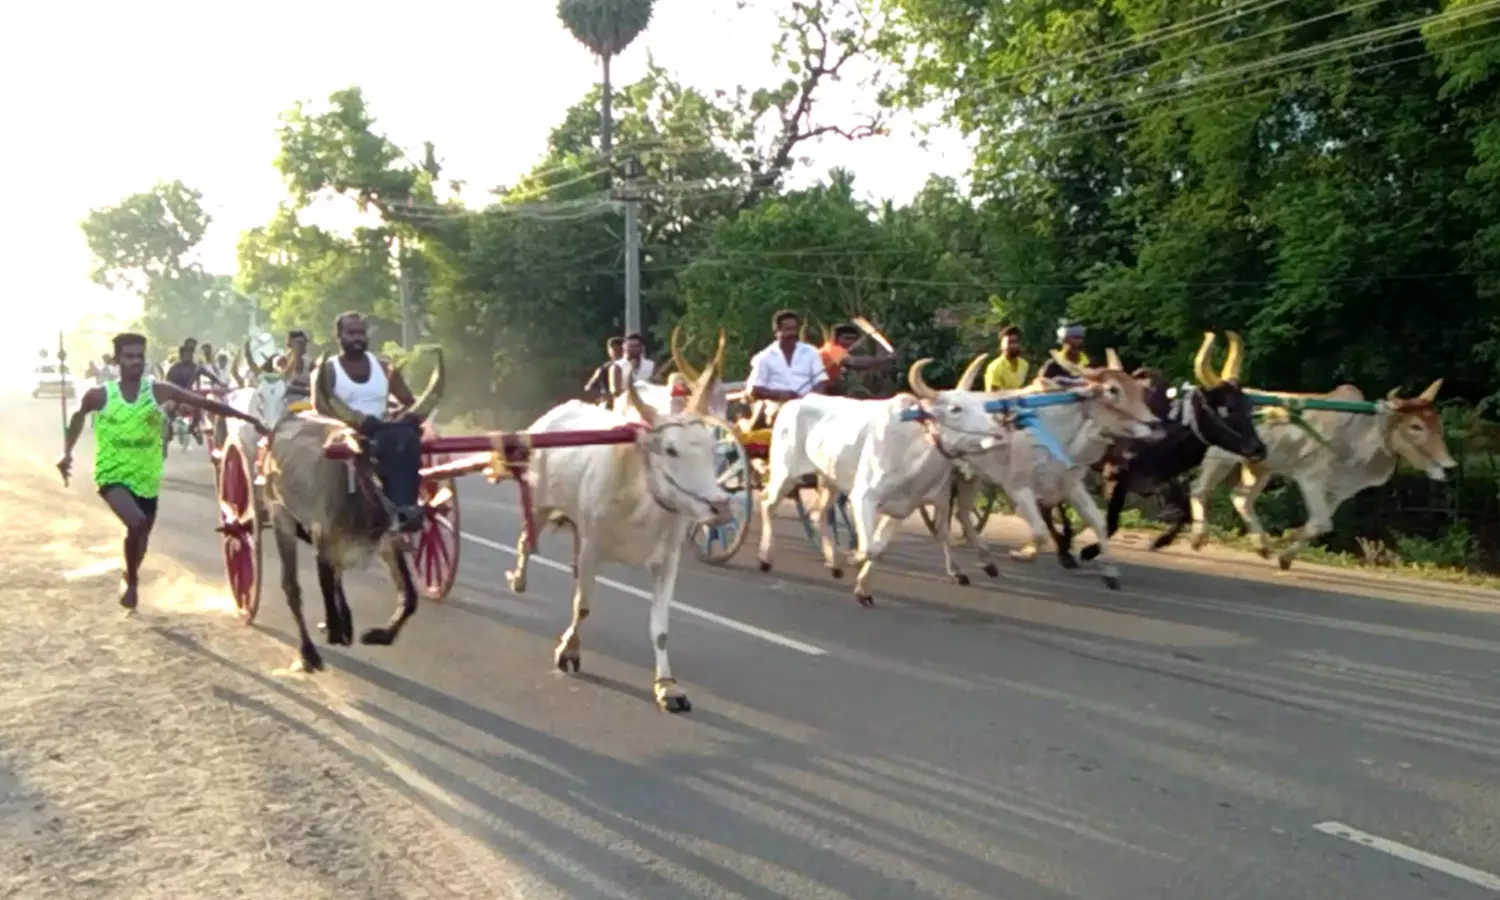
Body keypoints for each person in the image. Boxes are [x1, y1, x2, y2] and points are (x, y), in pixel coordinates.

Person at [57, 332, 268, 612]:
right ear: (118, 360)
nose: (135, 362)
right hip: (112, 475)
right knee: (135, 523)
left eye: (139, 357)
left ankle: (129, 572)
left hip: (147, 476)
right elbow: (77, 418)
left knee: (142, 533)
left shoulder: (158, 391)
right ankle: (131, 581)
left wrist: (248, 417)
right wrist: (66, 453)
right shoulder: (99, 395)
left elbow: (203, 403)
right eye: (129, 357)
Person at [315, 311, 420, 427]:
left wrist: (396, 417)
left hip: (381, 433)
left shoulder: (385, 368)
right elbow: (321, 408)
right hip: (343, 435)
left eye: (361, 333)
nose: (357, 338)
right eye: (351, 333)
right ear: (338, 335)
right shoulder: (327, 370)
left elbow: (410, 402)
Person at [745, 309, 828, 429]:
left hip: (809, 408)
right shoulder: (764, 357)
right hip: (777, 410)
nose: (792, 333)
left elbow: (821, 383)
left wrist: (809, 398)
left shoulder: (811, 352)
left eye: (795, 329)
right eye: (788, 329)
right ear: (776, 332)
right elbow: (754, 390)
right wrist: (781, 395)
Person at [163, 340, 226, 451]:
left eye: (191, 354)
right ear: (182, 356)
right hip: (175, 397)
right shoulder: (174, 368)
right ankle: (168, 429)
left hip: (187, 397)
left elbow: (211, 376)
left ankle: (192, 427)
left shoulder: (196, 367)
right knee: (167, 410)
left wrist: (221, 383)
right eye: (187, 355)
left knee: (197, 406)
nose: (189, 357)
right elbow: (166, 383)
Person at [817, 323, 895, 396]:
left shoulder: (830, 350)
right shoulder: (833, 350)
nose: (850, 342)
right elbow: (855, 362)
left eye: (854, 339)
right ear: (836, 340)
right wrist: (883, 360)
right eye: (847, 338)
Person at [983, 325, 1030, 392]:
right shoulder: (995, 367)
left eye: (1015, 342)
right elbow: (993, 395)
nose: (1013, 346)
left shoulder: (1024, 364)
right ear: (1001, 346)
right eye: (1009, 342)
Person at [585, 336, 625, 404]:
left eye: (620, 349)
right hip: (609, 403)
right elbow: (589, 387)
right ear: (609, 350)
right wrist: (602, 396)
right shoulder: (604, 368)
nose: (618, 352)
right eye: (615, 349)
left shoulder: (630, 366)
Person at [284, 329, 314, 410]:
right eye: (299, 343)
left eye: (305, 343)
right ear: (290, 344)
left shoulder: (310, 363)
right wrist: (308, 390)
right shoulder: (281, 361)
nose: (303, 345)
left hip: (306, 406)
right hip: (284, 405)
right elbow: (284, 386)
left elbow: (316, 384)